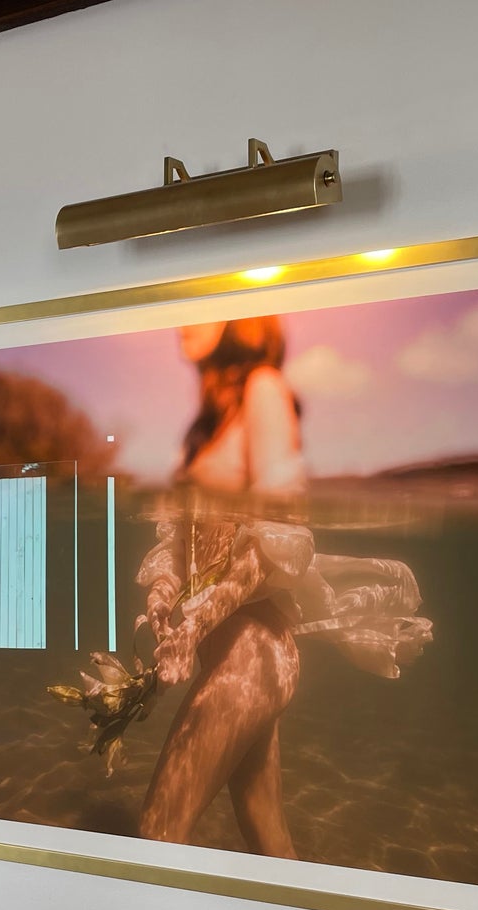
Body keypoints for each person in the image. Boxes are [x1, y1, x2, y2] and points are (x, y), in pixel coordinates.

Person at [136, 317, 430, 857]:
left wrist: (196, 621)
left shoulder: (263, 389)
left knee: (156, 834)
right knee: (269, 836)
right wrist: (162, 601)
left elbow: (280, 538)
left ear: (240, 325)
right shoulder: (205, 424)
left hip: (252, 659)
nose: (181, 320)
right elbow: (179, 545)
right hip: (239, 662)